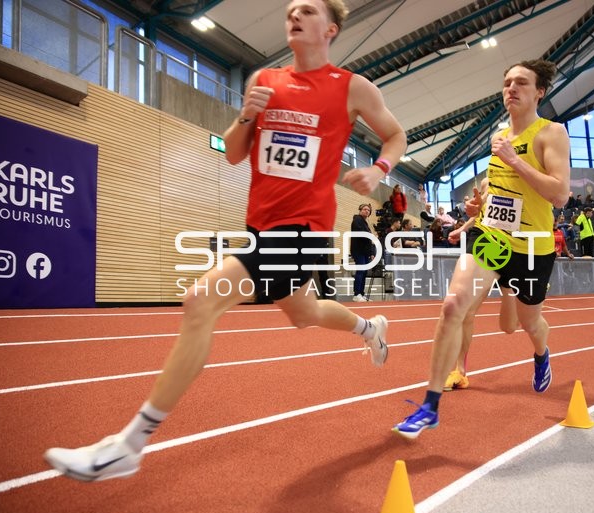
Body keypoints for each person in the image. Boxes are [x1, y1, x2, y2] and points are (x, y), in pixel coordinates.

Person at [44, 0, 407, 481]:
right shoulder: (264, 80)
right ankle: (369, 328)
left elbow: (395, 135)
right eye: (290, 10)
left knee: (200, 300)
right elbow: (234, 154)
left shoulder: (351, 87)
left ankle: (128, 445)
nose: (294, 15)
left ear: (331, 29)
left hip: (303, 229)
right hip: (260, 224)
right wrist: (246, 115)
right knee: (304, 313)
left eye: (307, 10)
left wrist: (379, 169)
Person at [392, 59, 570, 438]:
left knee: (528, 324)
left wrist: (514, 159)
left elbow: (559, 194)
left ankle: (541, 353)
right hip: (492, 238)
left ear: (539, 92)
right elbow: (502, 192)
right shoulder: (501, 136)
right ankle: (430, 405)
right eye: (507, 82)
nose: (511, 88)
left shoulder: (550, 133)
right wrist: (478, 209)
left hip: (532, 247)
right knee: (453, 306)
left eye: (521, 82)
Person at [350, 203, 375, 302]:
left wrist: (371, 253)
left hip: (365, 252)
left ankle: (361, 293)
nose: (367, 211)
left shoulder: (365, 223)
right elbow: (361, 234)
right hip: (358, 250)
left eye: (368, 210)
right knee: (360, 271)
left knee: (364, 272)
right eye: (365, 209)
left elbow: (369, 240)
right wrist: (369, 235)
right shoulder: (357, 220)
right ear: (360, 210)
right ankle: (356, 294)